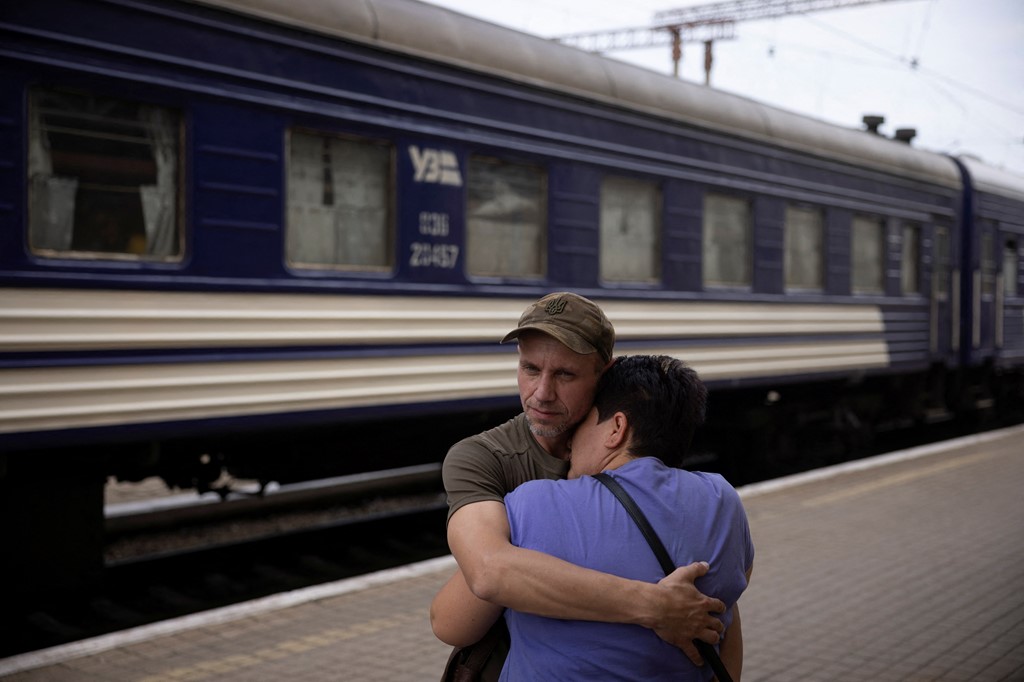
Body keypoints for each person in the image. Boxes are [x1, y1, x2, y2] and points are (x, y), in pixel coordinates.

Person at [431, 293, 726, 675]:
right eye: (530, 368)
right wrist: (656, 606)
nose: (541, 393)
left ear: (605, 374)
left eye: (565, 374)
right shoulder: (482, 457)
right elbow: (489, 571)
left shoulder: (634, 444)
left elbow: (714, 604)